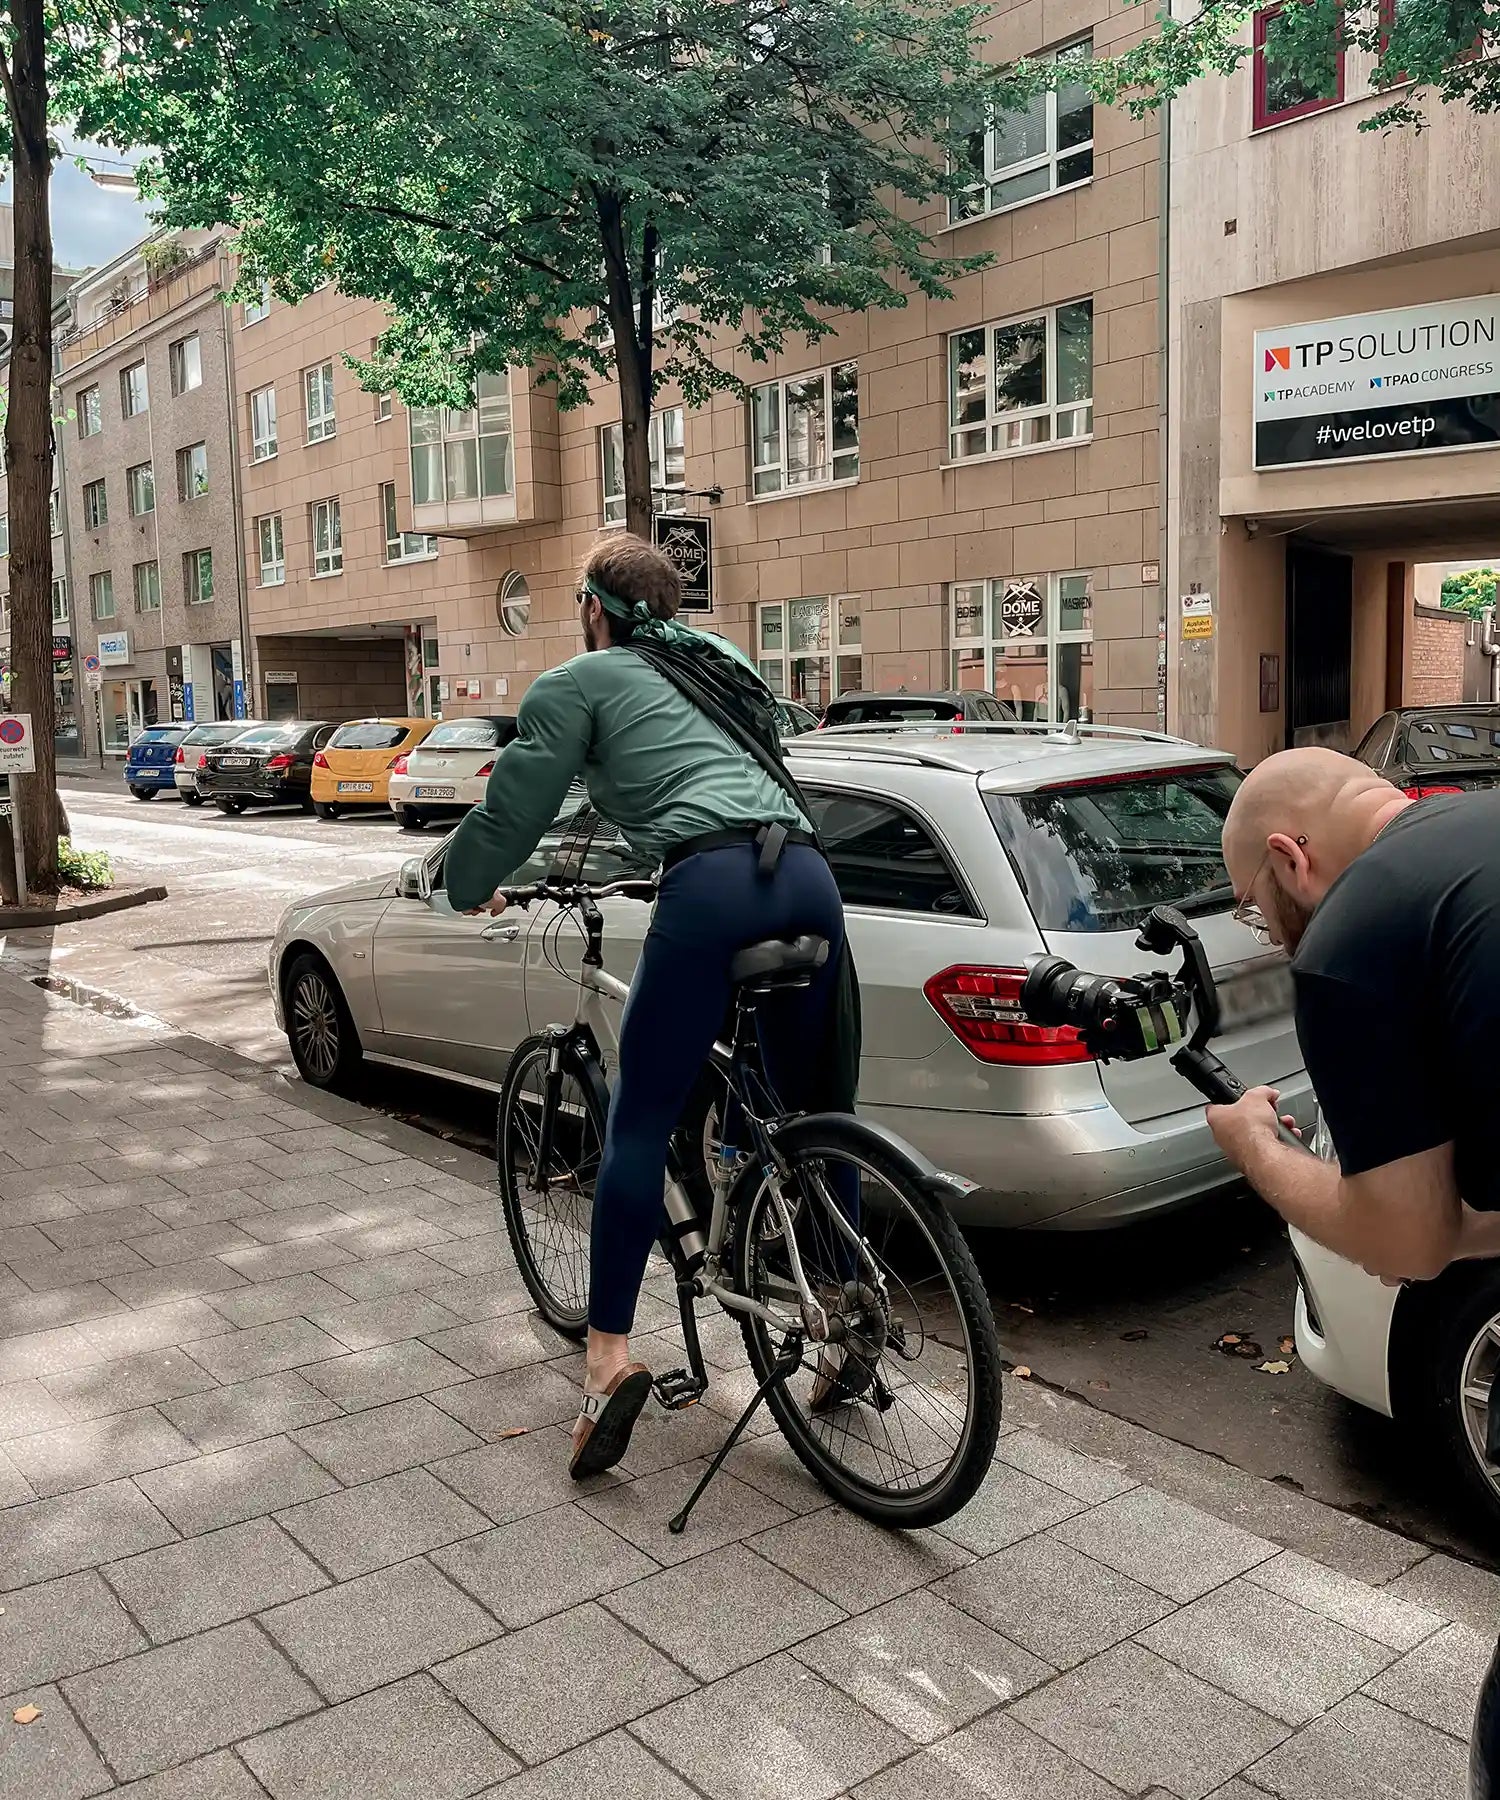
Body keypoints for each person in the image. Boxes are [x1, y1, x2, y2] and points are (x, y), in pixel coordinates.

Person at [443, 534, 850, 1479]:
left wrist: (465, 884)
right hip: (807, 876)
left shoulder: (580, 681)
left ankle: (608, 1363)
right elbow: (712, 779)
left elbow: (515, 811)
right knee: (811, 1113)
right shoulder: (725, 662)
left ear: (594, 606)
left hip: (713, 889)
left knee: (636, 1122)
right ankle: (843, 1316)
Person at [1207, 744, 1500, 1286]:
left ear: (1290, 859)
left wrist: (1253, 1147)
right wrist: (1430, 1227)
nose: (1271, 934)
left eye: (1254, 906)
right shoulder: (1482, 821)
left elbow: (1408, 1249)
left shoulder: (1351, 937)